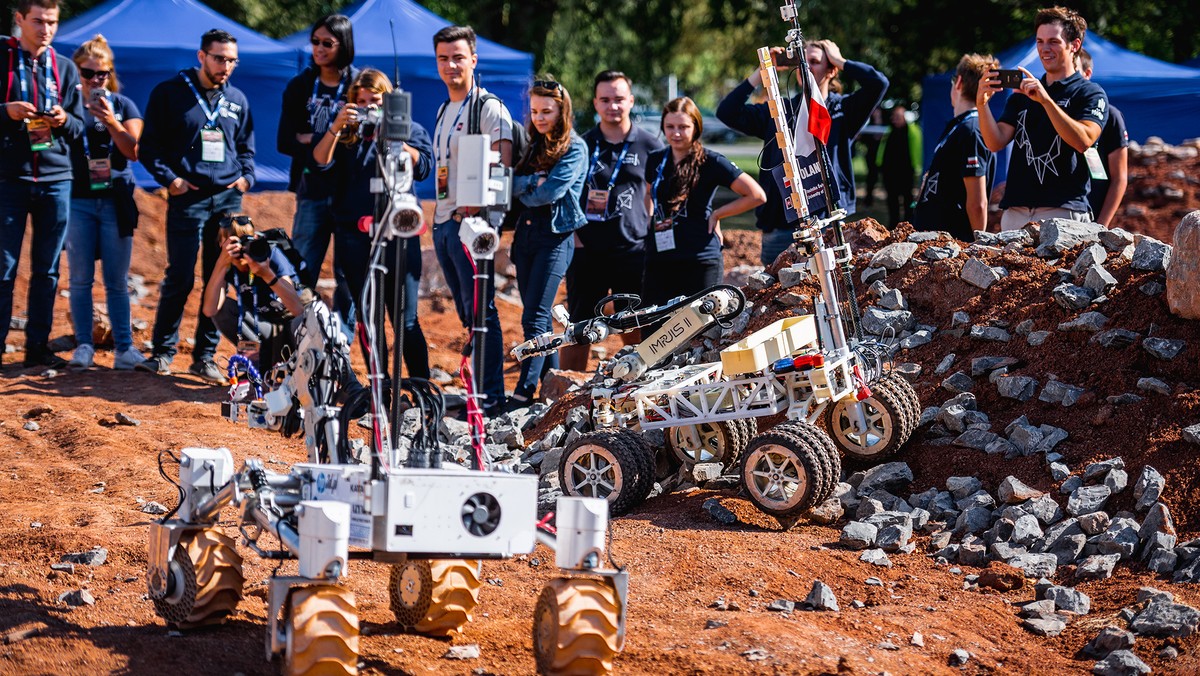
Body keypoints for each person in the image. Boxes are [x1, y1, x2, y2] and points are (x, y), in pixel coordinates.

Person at [138, 29, 255, 383]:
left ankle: (204, 356)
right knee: (181, 275)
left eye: (232, 60)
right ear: (201, 56)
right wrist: (171, 180)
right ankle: (162, 352)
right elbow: (148, 148)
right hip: (187, 197)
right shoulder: (170, 93)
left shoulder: (236, 98)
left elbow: (247, 148)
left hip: (227, 199)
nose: (226, 66)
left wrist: (246, 177)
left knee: (218, 276)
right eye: (219, 58)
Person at [718, 40, 887, 266]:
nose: (806, 67)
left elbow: (878, 83)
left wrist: (840, 59)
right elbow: (727, 112)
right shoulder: (780, 109)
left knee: (828, 291)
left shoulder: (843, 110)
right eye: (801, 61)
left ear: (831, 70)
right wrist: (762, 72)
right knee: (777, 295)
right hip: (780, 226)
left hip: (826, 224)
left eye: (815, 62)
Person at [313, 68, 433, 378]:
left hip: (399, 235)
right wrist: (337, 125)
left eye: (375, 101)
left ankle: (420, 387)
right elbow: (319, 162)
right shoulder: (347, 135)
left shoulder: (408, 128)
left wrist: (393, 135)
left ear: (389, 101)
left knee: (405, 318)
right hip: (354, 234)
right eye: (361, 101)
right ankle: (379, 390)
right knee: (369, 318)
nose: (369, 107)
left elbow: (425, 166)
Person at [430, 25, 513, 414]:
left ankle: (491, 398)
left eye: (458, 57)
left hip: (473, 225)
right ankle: (477, 392)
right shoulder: (444, 109)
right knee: (468, 311)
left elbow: (502, 166)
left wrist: (484, 216)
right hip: (443, 220)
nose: (451, 65)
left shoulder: (488, 107)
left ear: (473, 60)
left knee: (483, 311)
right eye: (444, 58)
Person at [560, 70, 663, 372]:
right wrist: (576, 239)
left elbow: (657, 194)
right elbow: (568, 192)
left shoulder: (650, 145)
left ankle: (636, 382)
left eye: (619, 99)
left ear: (631, 100)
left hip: (632, 250)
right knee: (579, 326)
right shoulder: (581, 144)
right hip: (587, 250)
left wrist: (652, 234)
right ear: (595, 103)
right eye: (605, 100)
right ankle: (565, 389)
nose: (612, 106)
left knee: (634, 322)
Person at [0, 0, 84, 369]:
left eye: (52, 22)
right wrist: (6, 111)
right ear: (19, 20)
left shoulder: (64, 66)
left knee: (48, 269)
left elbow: (80, 128)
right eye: (38, 21)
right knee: (3, 267)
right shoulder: (3, 57)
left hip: (55, 179)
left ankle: (37, 347)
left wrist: (64, 118)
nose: (46, 29)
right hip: (9, 179)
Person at [977, 6, 1108, 231]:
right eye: (1039, 41)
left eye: (1053, 41)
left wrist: (1046, 101)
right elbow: (994, 141)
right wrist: (981, 104)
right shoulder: (1023, 94)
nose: (1045, 49)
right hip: (1016, 213)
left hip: (1063, 211)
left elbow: (1084, 140)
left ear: (1074, 45)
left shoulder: (1090, 93)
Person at [64, 35, 146, 370]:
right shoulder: (66, 105)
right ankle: (84, 344)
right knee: (80, 279)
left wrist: (110, 120)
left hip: (115, 199)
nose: (96, 80)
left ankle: (124, 349)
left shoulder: (124, 105)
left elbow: (135, 152)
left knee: (116, 279)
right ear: (76, 71)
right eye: (88, 73)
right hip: (78, 199)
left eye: (103, 73)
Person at [508, 78, 588, 405]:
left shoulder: (575, 147)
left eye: (547, 111)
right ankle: (553, 390)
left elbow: (549, 192)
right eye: (534, 111)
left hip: (555, 238)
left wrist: (527, 187)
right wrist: (530, 182)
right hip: (525, 236)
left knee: (534, 317)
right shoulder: (532, 146)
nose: (540, 118)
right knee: (536, 316)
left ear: (561, 110)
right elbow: (510, 184)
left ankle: (522, 393)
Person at [643, 97, 765, 305]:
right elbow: (648, 193)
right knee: (655, 329)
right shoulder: (656, 159)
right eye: (670, 127)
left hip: (699, 258)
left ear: (696, 127)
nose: (676, 133)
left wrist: (718, 214)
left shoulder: (711, 161)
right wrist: (651, 220)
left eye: (684, 126)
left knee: (701, 329)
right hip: (660, 259)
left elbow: (756, 195)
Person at [277, 14, 358, 321]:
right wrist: (330, 139)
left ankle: (341, 344)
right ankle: (295, 341)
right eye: (314, 42)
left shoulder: (358, 84)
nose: (319, 49)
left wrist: (311, 138)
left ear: (344, 44)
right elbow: (285, 141)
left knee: (348, 275)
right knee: (299, 270)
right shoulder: (300, 85)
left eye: (327, 43)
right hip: (311, 190)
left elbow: (360, 143)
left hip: (350, 193)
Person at [201, 215, 305, 373]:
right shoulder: (227, 265)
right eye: (232, 242)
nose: (240, 248)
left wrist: (266, 273)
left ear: (254, 239)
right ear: (221, 244)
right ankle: (256, 364)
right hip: (263, 330)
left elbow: (298, 309)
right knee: (223, 308)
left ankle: (283, 363)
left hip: (290, 330)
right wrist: (221, 263)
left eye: (244, 240)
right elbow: (210, 310)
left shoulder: (269, 254)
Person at [911, 54, 996, 241]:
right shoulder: (960, 126)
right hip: (935, 239)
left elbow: (977, 203)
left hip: (951, 242)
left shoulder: (972, 128)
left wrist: (977, 244)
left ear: (958, 83)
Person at [1077, 48, 1128, 227]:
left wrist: (1101, 225)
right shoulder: (1054, 111)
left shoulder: (1110, 115)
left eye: (1073, 72)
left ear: (1087, 73)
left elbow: (1119, 177)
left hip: (1091, 215)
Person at [878, 105, 922, 227]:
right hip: (890, 172)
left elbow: (917, 149)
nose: (894, 119)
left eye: (898, 117)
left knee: (908, 199)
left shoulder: (912, 131)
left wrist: (917, 167)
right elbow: (883, 149)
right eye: (894, 117)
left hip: (906, 171)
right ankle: (893, 224)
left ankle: (908, 224)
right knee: (892, 200)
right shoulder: (890, 131)